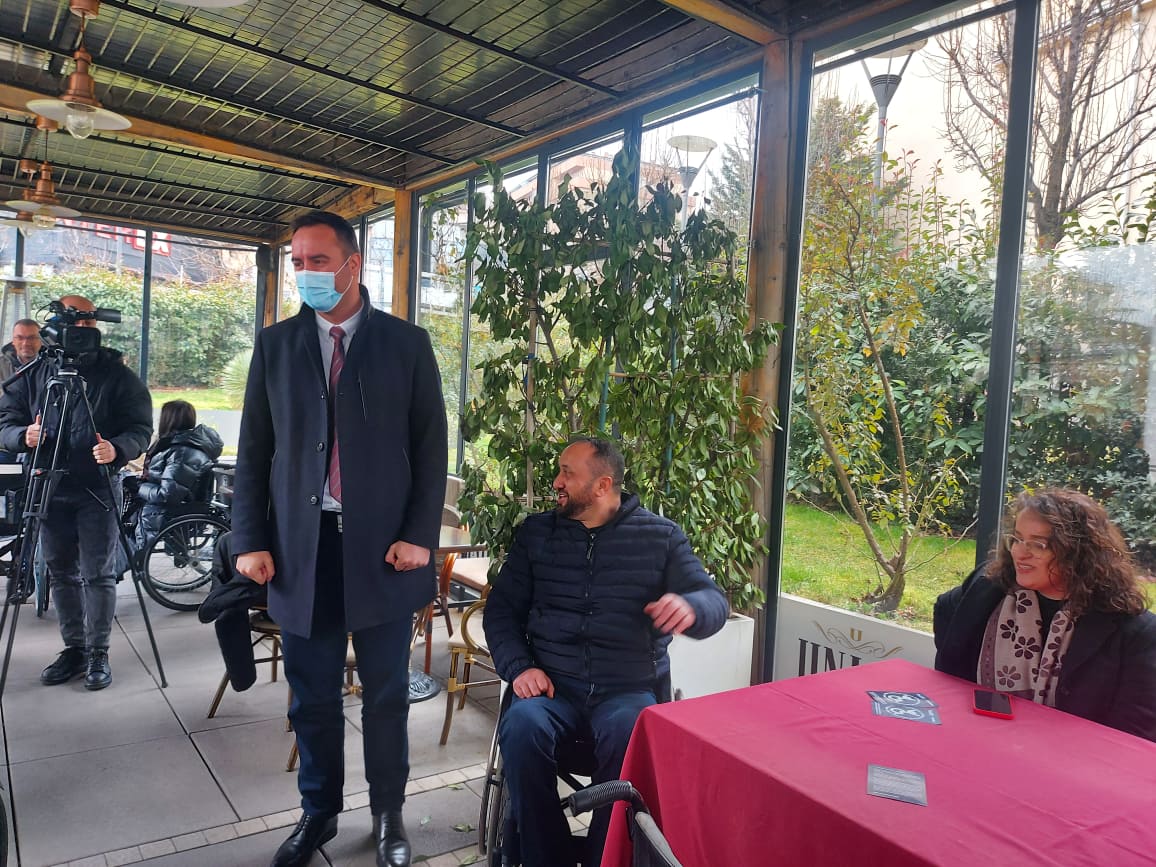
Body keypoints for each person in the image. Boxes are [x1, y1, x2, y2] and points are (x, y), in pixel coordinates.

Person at [231, 210, 447, 867]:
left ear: (353, 264)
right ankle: (318, 812)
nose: (305, 273)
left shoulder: (406, 344)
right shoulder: (276, 346)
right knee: (312, 696)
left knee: (386, 695)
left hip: (384, 552)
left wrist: (419, 535)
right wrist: (249, 537)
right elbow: (254, 450)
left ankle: (388, 815)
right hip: (303, 550)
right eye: (297, 262)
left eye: (318, 261)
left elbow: (431, 448)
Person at [483, 436, 728, 867]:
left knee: (629, 731)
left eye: (567, 473)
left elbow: (713, 600)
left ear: (602, 485)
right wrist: (520, 667)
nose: (556, 482)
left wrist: (692, 606)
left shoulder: (660, 537)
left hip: (626, 689)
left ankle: (606, 859)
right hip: (551, 687)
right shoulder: (537, 534)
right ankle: (546, 857)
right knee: (521, 727)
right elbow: (501, 612)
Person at [0, 294, 152, 691]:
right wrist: (23, 435)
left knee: (98, 573)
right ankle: (75, 648)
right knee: (60, 571)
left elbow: (140, 427)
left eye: (89, 322)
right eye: (76, 321)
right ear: (56, 324)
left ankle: (98, 651)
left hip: (97, 487)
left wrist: (118, 448)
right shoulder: (34, 372)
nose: (83, 329)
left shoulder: (116, 374)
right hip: (48, 486)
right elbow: (5, 421)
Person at [934, 487, 1156, 741]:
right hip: (977, 738)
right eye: (1017, 539)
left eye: (1038, 545)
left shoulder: (1135, 632)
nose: (1020, 553)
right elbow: (944, 611)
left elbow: (1136, 734)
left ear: (1078, 554)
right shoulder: (988, 588)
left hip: (1073, 757)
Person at [130, 399, 223, 548]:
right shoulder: (180, 446)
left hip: (167, 511)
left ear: (167, 420)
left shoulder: (181, 453)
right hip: (175, 505)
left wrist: (139, 488)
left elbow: (167, 495)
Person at [0, 319, 43, 463]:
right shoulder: (1, 366)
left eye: (32, 338)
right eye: (20, 337)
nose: (26, 343)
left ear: (41, 340)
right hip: (6, 439)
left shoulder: (51, 367)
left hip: (42, 440)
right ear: (13, 341)